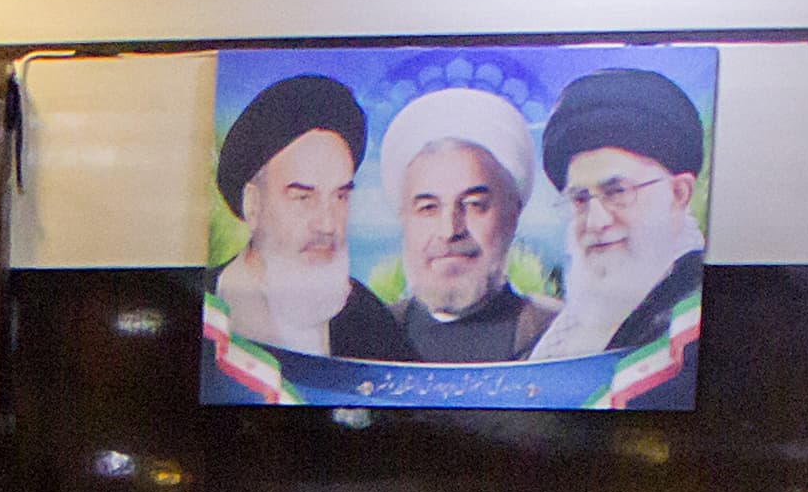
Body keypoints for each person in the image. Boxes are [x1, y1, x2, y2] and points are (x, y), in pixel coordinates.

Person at [209, 74, 411, 363]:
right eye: (303, 197)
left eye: (340, 196)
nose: (327, 224)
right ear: (253, 204)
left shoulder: (366, 319)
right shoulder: (205, 307)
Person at [532, 65, 708, 365]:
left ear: (678, 194)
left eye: (617, 192)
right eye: (580, 199)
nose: (595, 222)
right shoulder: (566, 332)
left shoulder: (695, 307)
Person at [382, 88, 556, 361]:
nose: (449, 231)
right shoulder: (369, 339)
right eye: (428, 208)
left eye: (473, 204)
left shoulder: (558, 339)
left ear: (512, 215)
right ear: (404, 219)